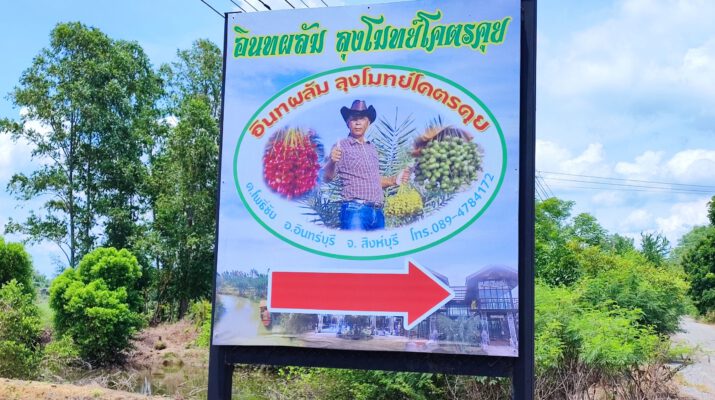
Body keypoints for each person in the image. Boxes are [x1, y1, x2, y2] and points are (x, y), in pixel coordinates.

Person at [323, 100, 408, 230]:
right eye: (353, 119)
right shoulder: (341, 146)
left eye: (362, 119)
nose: (358, 122)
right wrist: (332, 161)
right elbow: (327, 177)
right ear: (348, 123)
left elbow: (373, 180)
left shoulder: (372, 148)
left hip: (378, 213)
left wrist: (394, 180)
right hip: (355, 211)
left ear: (368, 123)